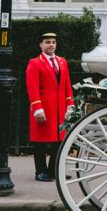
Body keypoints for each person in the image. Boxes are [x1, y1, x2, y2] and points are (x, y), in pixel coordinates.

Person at [25, 32, 74, 182]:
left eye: (53, 42)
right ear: (41, 45)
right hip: (44, 108)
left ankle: (54, 170)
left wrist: (70, 105)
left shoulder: (62, 62)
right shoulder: (35, 62)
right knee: (40, 142)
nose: (51, 45)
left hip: (59, 109)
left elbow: (67, 86)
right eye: (47, 42)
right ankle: (40, 171)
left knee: (59, 141)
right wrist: (37, 108)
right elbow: (32, 88)